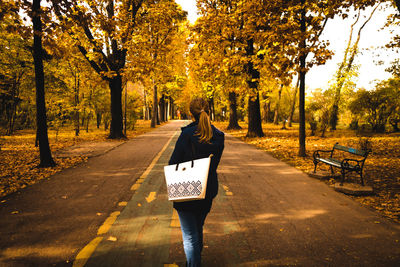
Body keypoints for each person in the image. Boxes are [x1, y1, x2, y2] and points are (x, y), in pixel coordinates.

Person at [168, 97, 225, 267]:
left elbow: (173, 163)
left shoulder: (187, 135)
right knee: (197, 228)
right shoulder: (219, 137)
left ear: (190, 113)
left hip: (186, 188)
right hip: (207, 189)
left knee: (190, 235)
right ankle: (194, 261)